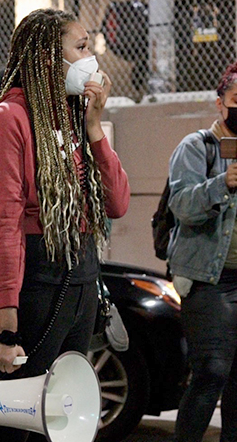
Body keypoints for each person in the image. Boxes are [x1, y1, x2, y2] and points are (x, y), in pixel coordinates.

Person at [0, 8, 130, 442]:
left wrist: (95, 126)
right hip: (39, 282)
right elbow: (4, 226)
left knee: (61, 423)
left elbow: (116, 203)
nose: (91, 58)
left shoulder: (72, 116)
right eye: (80, 48)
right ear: (46, 57)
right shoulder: (11, 118)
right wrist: (6, 329)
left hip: (80, 277)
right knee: (14, 423)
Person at [168, 62, 237, 442]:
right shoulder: (197, 147)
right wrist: (221, 184)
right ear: (220, 103)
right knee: (211, 371)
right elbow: (181, 206)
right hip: (211, 280)